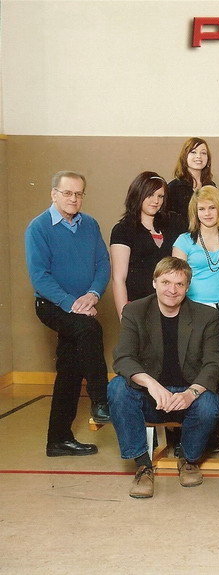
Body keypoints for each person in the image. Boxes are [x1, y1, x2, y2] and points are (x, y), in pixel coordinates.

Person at [107, 257, 219, 498]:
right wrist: (151, 384)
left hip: (188, 397)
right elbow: (123, 358)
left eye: (179, 284)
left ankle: (188, 459)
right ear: (154, 283)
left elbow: (214, 364)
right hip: (152, 398)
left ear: (187, 287)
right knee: (117, 388)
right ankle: (142, 465)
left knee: (210, 403)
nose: (172, 290)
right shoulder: (135, 311)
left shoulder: (206, 316)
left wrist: (191, 393)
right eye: (166, 282)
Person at [25, 170, 111, 456]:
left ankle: (58, 439)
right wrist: (73, 304)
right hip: (52, 305)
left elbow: (103, 264)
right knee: (89, 329)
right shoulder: (38, 228)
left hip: (83, 304)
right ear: (54, 194)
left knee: (70, 369)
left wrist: (93, 294)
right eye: (67, 193)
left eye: (78, 193)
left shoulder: (90, 225)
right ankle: (101, 401)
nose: (73, 198)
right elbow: (40, 277)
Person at [110, 172, 182, 319]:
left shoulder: (173, 224)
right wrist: (125, 319)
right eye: (150, 195)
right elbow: (118, 279)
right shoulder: (123, 230)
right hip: (138, 309)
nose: (156, 201)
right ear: (138, 194)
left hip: (171, 308)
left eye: (160, 196)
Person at [172, 185, 219, 343]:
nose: (207, 213)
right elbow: (177, 280)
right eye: (202, 209)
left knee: (218, 356)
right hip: (193, 309)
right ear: (195, 212)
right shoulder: (184, 241)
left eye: (212, 208)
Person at [166, 137, 214, 229]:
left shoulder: (211, 186)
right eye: (193, 152)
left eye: (203, 153)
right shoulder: (173, 188)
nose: (199, 156)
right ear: (185, 156)